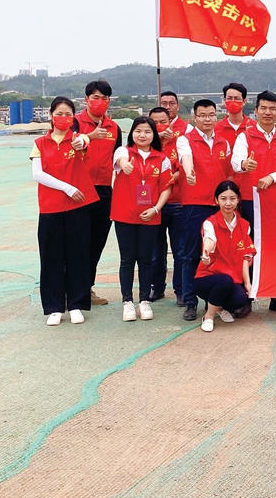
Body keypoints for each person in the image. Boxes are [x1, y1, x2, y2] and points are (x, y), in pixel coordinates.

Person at [31, 97, 99, 326]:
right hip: (51, 207)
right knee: (51, 257)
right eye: (59, 113)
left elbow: (84, 142)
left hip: (77, 207)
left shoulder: (77, 140)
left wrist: (83, 141)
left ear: (73, 117)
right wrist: (67, 188)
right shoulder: (40, 143)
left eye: (68, 114)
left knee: (78, 255)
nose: (63, 118)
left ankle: (77, 304)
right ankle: (54, 307)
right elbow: (38, 174)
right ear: (51, 116)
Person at [231, 90, 276, 315]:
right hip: (251, 201)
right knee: (248, 248)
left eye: (272, 108)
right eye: (263, 108)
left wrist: (272, 177)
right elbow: (235, 162)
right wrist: (244, 164)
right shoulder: (245, 136)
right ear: (256, 111)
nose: (268, 112)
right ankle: (247, 297)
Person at [111, 117, 173, 322]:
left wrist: (156, 209)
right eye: (138, 131)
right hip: (124, 215)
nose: (142, 135)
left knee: (146, 260)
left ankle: (144, 301)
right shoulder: (124, 151)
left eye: (147, 131)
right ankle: (127, 302)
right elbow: (120, 160)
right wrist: (125, 165)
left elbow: (166, 188)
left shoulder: (162, 159)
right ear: (132, 133)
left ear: (154, 135)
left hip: (149, 216)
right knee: (127, 260)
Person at [177, 99, 233, 321]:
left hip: (219, 206)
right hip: (195, 204)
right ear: (194, 118)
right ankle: (190, 301)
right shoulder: (185, 139)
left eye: (211, 115)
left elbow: (229, 173)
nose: (207, 119)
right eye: (202, 115)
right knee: (191, 254)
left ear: (216, 116)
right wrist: (189, 172)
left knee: (219, 253)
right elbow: (186, 158)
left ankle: (215, 302)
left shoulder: (223, 143)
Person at [74, 80, 122, 306]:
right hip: (79, 190)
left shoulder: (114, 128)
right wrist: (90, 136)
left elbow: (119, 157)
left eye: (104, 98)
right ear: (86, 99)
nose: (100, 102)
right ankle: (72, 289)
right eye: (95, 98)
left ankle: (87, 288)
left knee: (96, 242)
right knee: (77, 242)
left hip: (104, 190)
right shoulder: (75, 123)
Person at [193, 181, 257, 332]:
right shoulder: (210, 223)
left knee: (240, 298)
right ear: (216, 200)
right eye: (223, 198)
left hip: (231, 279)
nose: (228, 203)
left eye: (232, 198)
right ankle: (209, 316)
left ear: (238, 200)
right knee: (225, 281)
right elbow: (210, 240)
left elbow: (245, 257)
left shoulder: (245, 225)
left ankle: (219, 308)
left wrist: (248, 283)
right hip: (207, 278)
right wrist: (206, 253)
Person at [148, 107, 186, 304]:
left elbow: (183, 169)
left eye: (163, 121)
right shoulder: (146, 145)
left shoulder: (180, 142)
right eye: (154, 122)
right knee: (156, 252)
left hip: (177, 203)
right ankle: (157, 287)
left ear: (170, 122)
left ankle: (180, 289)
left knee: (180, 251)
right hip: (153, 205)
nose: (159, 125)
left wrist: (166, 179)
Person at [214, 82, 255, 153]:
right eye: (229, 98)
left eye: (237, 98)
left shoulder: (254, 127)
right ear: (224, 101)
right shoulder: (215, 129)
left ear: (244, 101)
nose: (233, 101)